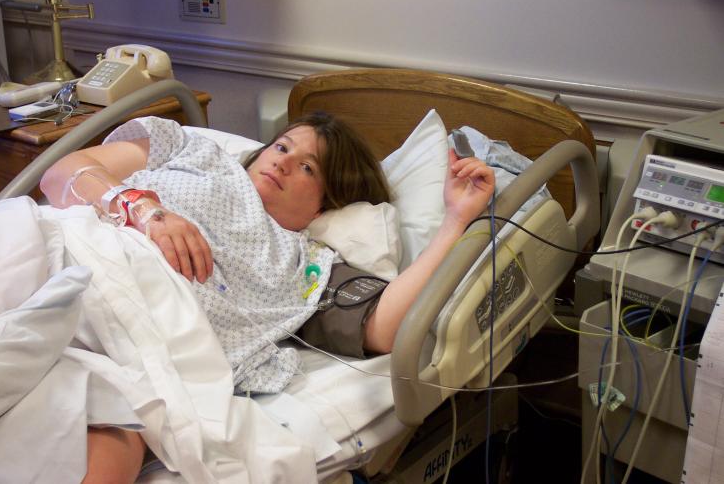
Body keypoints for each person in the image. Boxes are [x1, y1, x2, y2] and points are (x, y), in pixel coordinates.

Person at [39, 111, 495, 483]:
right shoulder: (192, 151)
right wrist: (142, 209)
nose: (283, 163)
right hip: (58, 261)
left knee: (124, 432)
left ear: (325, 204)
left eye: (308, 168)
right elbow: (61, 173)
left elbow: (385, 329)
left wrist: (455, 222)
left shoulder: (306, 265)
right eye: (282, 147)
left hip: (127, 357)